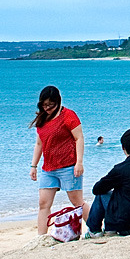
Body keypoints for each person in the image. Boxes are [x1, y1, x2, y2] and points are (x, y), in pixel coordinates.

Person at [29, 85, 86, 236]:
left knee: (77, 202)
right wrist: (33, 166)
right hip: (48, 169)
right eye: (44, 105)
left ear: (58, 102)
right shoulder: (43, 118)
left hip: (68, 166)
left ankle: (95, 228)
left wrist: (79, 162)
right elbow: (39, 144)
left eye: (50, 105)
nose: (47, 108)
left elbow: (79, 138)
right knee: (43, 203)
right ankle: (41, 237)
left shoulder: (68, 115)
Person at [85, 128, 130, 237]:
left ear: (123, 148)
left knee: (102, 194)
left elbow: (96, 189)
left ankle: (94, 230)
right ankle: (97, 229)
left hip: (128, 226)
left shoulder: (120, 169)